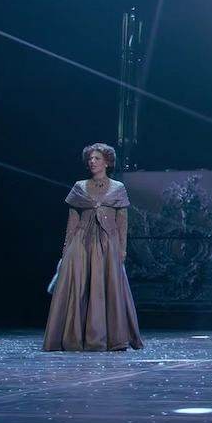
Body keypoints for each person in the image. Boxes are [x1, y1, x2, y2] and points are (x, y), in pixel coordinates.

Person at [43, 143, 144, 352]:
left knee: (106, 287)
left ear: (107, 162)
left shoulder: (117, 188)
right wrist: (66, 249)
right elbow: (72, 221)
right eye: (90, 159)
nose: (92, 162)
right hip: (81, 242)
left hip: (107, 243)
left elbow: (122, 222)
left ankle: (106, 338)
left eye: (97, 158)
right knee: (78, 287)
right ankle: (74, 337)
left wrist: (122, 249)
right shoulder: (79, 186)